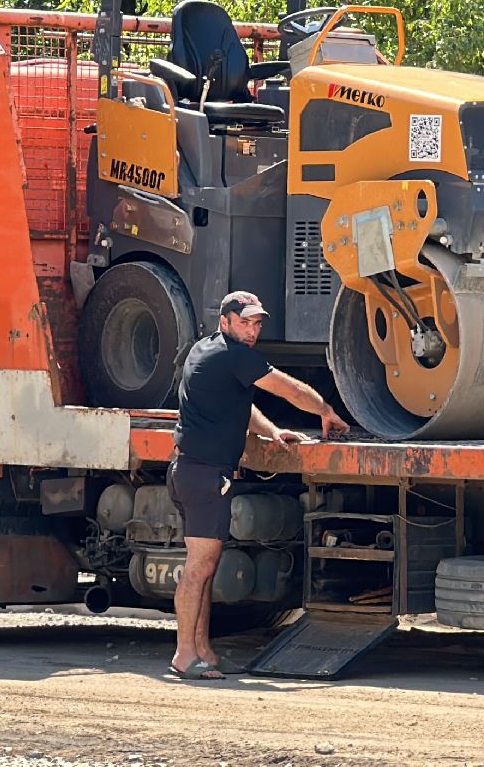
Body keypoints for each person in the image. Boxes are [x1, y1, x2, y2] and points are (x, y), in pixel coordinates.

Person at [167, 290, 347, 680]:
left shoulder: (206, 350)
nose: (251, 331)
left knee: (206, 568)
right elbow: (289, 389)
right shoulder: (235, 355)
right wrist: (326, 410)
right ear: (225, 321)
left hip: (188, 471)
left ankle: (204, 652)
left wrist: (272, 431)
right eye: (244, 322)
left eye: (256, 323)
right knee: (198, 569)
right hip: (204, 474)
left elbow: (240, 406)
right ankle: (184, 656)